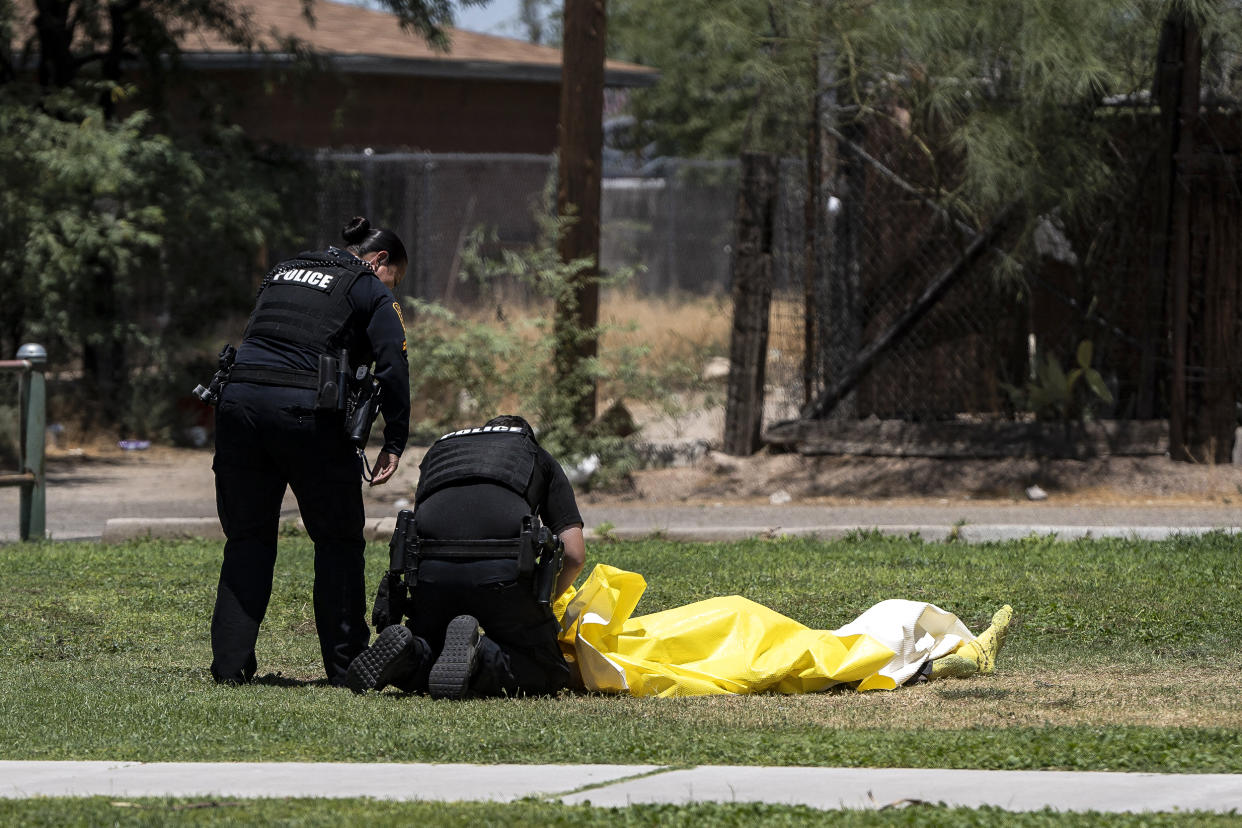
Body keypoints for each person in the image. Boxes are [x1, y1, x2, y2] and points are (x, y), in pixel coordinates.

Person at [210, 216, 411, 686]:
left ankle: (229, 667)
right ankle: (347, 668)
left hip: (237, 406)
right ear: (380, 260)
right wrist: (395, 440)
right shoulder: (367, 285)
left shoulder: (283, 270)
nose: (391, 288)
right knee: (339, 540)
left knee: (248, 538)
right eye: (394, 278)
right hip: (305, 415)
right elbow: (394, 365)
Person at [346, 414, 586, 698]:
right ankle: (481, 658)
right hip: (500, 575)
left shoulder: (440, 451)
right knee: (547, 670)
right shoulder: (535, 454)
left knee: (432, 645)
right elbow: (573, 555)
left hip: (430, 575)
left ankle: (410, 653)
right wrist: (541, 603)